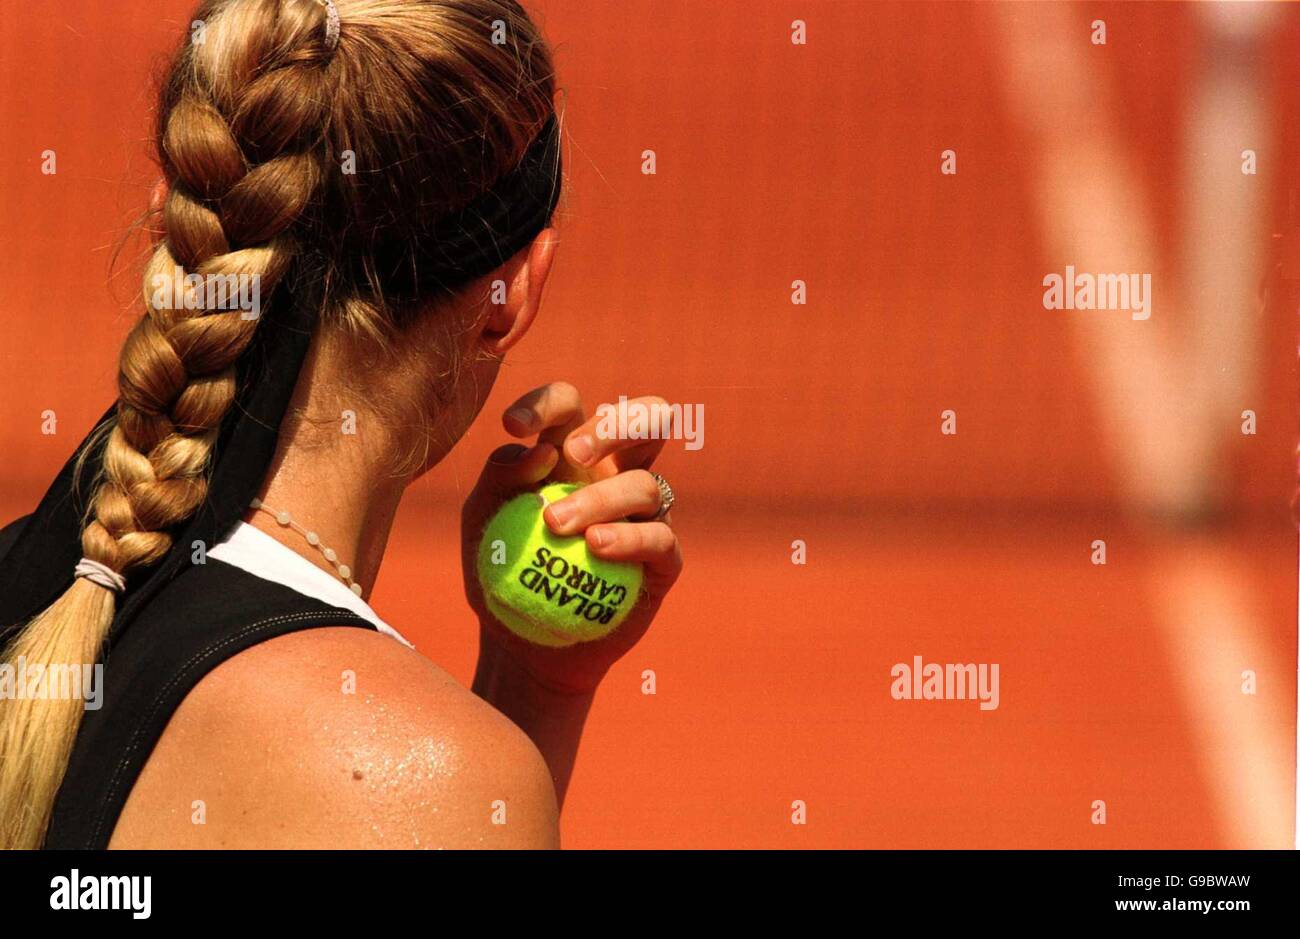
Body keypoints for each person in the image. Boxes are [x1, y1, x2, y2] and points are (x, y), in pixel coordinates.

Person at [0, 0, 681, 850]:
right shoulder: (423, 779)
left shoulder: (43, 591)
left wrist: (533, 684)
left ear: (180, 223)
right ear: (510, 300)